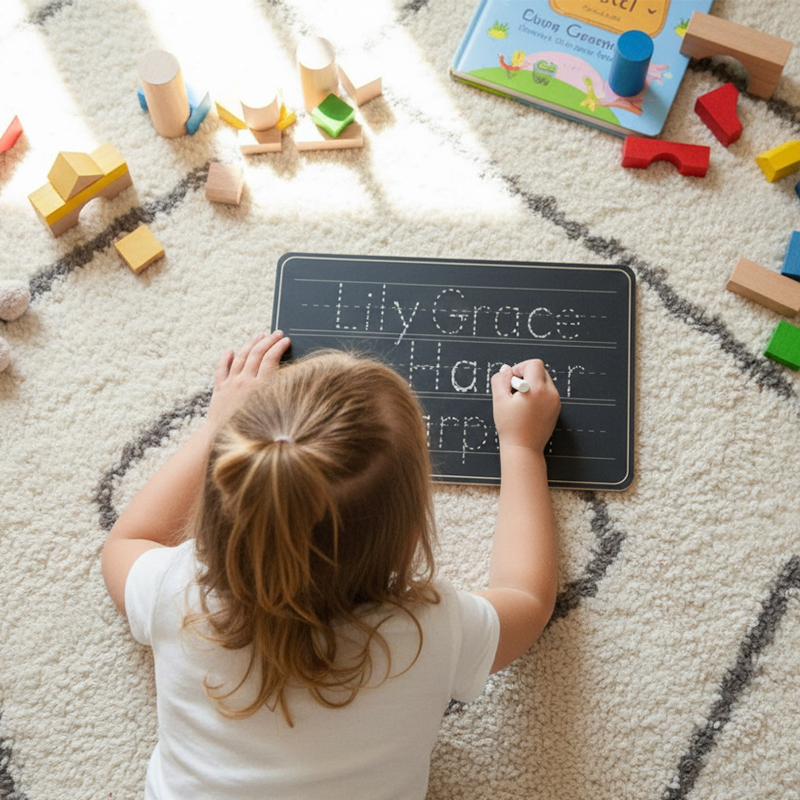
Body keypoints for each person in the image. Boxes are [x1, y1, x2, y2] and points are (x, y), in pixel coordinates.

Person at [102, 330, 561, 800]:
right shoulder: (429, 631)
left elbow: (127, 541)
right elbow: (528, 598)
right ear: (407, 540)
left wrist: (217, 425)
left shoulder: (177, 592)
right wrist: (522, 448)